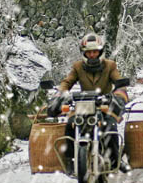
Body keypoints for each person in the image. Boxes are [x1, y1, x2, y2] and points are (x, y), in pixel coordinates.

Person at [48, 32, 131, 174]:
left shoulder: (110, 65)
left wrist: (118, 96)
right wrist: (60, 94)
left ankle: (115, 158)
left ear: (100, 52)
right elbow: (67, 82)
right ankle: (71, 158)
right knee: (70, 124)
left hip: (103, 104)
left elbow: (119, 83)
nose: (92, 55)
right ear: (83, 53)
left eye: (95, 52)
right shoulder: (77, 67)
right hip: (83, 104)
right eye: (89, 52)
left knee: (110, 125)